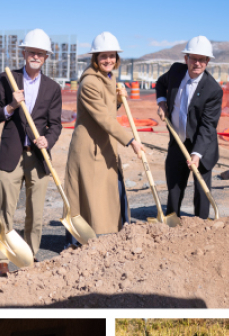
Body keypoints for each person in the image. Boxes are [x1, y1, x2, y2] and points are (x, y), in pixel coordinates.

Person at [0, 29, 64, 276]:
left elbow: (56, 125)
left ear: (45, 57)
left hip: (38, 158)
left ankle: (29, 255)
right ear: (24, 53)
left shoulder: (53, 88)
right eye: (32, 52)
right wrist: (11, 105)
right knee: (5, 210)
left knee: (36, 210)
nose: (36, 56)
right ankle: (2, 258)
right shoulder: (7, 79)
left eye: (40, 53)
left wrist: (48, 140)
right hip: (11, 153)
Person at [65, 31, 148, 235]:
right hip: (89, 148)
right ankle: (83, 240)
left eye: (112, 56)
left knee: (107, 193)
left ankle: (108, 235)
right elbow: (103, 118)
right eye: (103, 56)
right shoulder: (90, 83)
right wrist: (131, 141)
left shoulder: (108, 77)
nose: (108, 60)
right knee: (90, 195)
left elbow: (108, 109)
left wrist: (118, 100)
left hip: (104, 145)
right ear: (95, 58)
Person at [154, 36, 223, 219]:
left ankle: (201, 227)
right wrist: (162, 102)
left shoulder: (212, 90)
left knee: (201, 191)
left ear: (207, 61)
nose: (197, 63)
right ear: (186, 59)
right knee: (175, 187)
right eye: (194, 58)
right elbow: (161, 83)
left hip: (202, 146)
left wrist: (196, 154)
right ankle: (171, 222)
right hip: (178, 140)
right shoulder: (176, 71)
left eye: (202, 59)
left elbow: (208, 126)